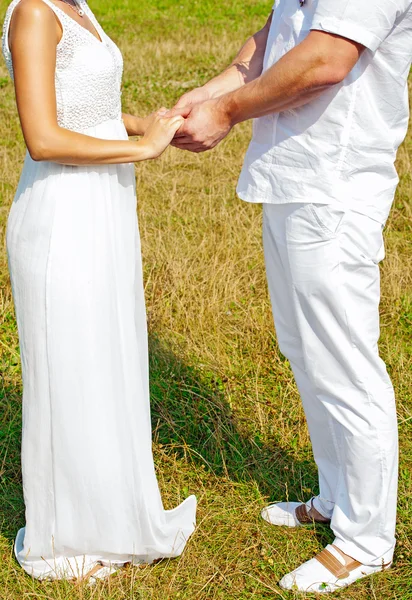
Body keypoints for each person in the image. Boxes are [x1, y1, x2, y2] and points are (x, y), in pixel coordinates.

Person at [170, 0, 412, 593]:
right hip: (293, 178)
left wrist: (225, 111)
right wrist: (210, 91)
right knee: (306, 354)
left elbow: (326, 58)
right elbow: (277, 33)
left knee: (344, 364)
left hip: (334, 186)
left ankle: (367, 540)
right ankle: (336, 497)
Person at [1, 0, 196, 582]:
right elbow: (43, 137)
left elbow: (89, 107)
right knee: (70, 368)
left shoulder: (78, 5)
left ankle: (113, 516)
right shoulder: (33, 13)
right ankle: (65, 536)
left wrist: (148, 124)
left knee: (104, 358)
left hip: (104, 203)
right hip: (62, 209)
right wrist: (142, 150)